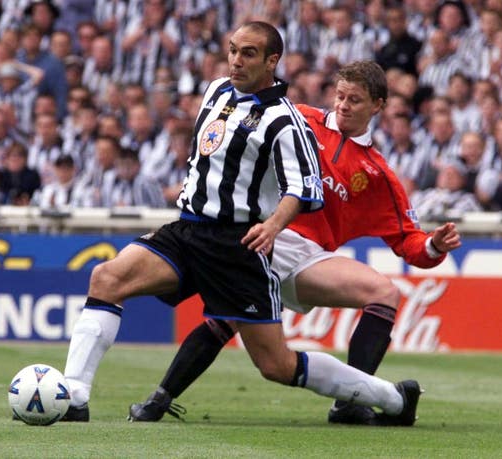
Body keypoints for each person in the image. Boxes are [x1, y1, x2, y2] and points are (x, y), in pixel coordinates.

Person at [60, 24, 421, 426]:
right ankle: (74, 396)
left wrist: (272, 227)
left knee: (276, 365)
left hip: (238, 246)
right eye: (232, 50)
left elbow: (304, 189)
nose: (236, 60)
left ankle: (392, 398)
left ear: (271, 61)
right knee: (107, 278)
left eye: (248, 53)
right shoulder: (216, 91)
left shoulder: (285, 121)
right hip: (190, 230)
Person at [128, 60, 460, 426]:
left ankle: (350, 401)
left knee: (383, 293)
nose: (344, 105)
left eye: (355, 100)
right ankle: (160, 398)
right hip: (260, 232)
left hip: (307, 257)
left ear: (378, 105)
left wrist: (435, 246)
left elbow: (409, 244)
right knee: (227, 318)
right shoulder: (298, 119)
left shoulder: (378, 174)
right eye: (340, 96)